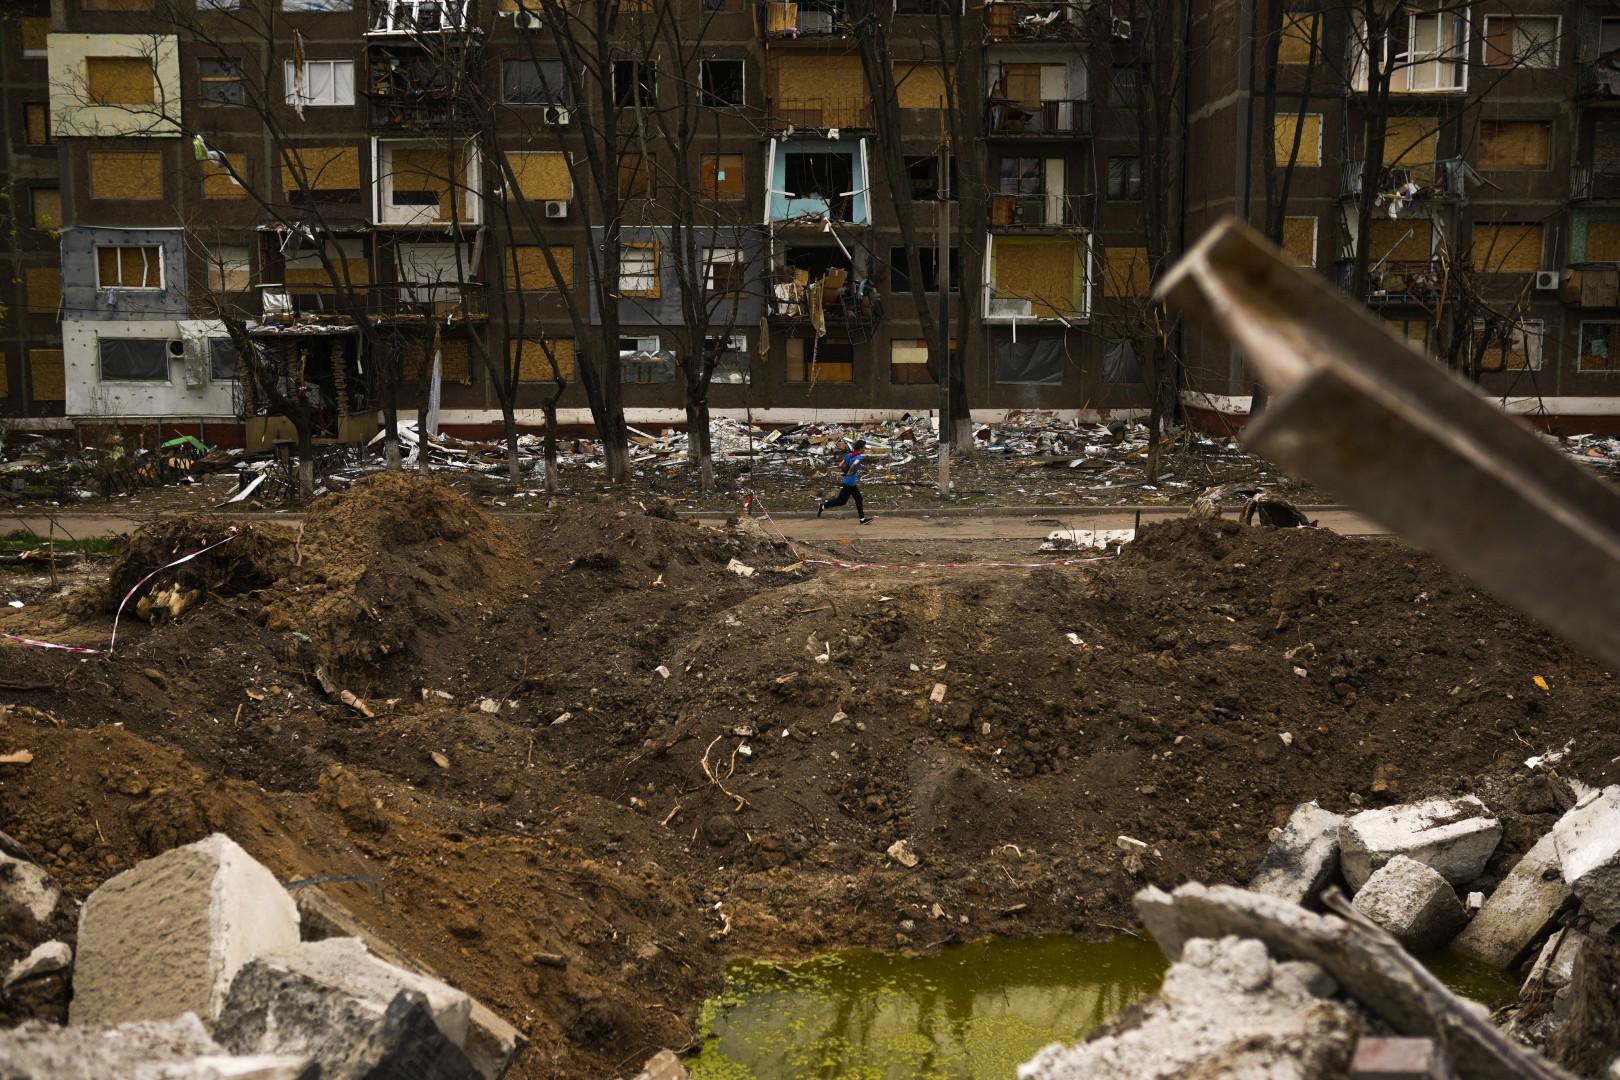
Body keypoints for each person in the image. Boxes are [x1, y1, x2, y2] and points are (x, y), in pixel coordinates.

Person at [818, 439, 874, 524]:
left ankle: (823, 506)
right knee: (853, 499)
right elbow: (855, 464)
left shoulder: (849, 455)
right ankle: (862, 519)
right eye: (864, 447)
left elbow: (840, 465)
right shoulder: (859, 457)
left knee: (844, 501)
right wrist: (850, 471)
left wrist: (846, 470)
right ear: (860, 448)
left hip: (847, 481)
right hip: (851, 483)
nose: (864, 449)